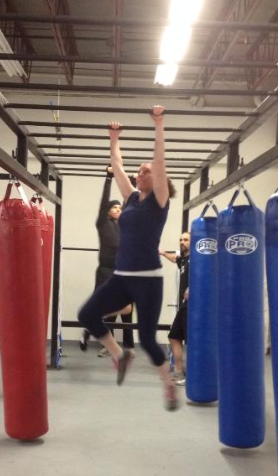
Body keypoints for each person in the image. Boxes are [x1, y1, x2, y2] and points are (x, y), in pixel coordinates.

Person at [78, 105, 179, 411]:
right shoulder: (132, 198)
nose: (141, 173)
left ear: (157, 177)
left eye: (146, 171)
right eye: (140, 170)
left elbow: (159, 160)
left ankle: (168, 384)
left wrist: (158, 124)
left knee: (147, 339)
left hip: (148, 280)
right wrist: (113, 139)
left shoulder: (159, 201)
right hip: (122, 277)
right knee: (87, 315)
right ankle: (120, 354)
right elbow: (118, 165)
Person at [79, 166, 135, 356]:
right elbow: (104, 202)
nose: (118, 209)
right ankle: (106, 343)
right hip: (105, 273)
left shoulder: (124, 226)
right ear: (108, 212)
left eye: (120, 208)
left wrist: (132, 184)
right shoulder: (103, 224)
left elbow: (130, 204)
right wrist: (109, 178)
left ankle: (90, 325)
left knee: (126, 309)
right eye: (114, 208)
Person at [160, 232, 191, 385]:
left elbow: (207, 274)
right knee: (174, 337)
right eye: (180, 240)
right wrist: (163, 253)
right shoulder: (184, 259)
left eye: (186, 239)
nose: (182, 242)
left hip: (193, 305)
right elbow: (175, 259)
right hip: (185, 305)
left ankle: (192, 376)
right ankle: (178, 371)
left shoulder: (199, 258)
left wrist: (191, 288)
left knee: (192, 341)